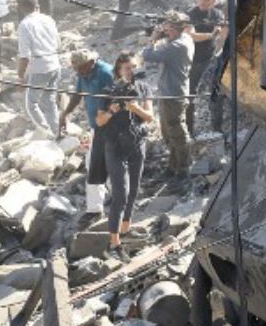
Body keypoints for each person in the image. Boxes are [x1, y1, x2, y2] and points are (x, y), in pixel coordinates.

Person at [95, 53, 152, 248]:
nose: (131, 71)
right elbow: (99, 121)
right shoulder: (108, 91)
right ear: (118, 70)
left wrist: (134, 108)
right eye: (127, 68)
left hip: (137, 145)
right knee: (121, 194)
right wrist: (112, 111)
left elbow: (149, 117)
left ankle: (126, 228)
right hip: (115, 147)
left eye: (133, 67)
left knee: (134, 190)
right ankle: (114, 242)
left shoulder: (144, 88)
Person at [142, 14, 195, 186]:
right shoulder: (184, 38)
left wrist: (153, 38)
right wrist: (163, 35)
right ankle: (173, 167)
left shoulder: (177, 46)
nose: (164, 29)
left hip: (173, 95)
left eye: (167, 27)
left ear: (174, 28)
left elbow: (148, 55)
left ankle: (183, 169)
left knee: (177, 132)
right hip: (169, 93)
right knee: (168, 133)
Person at [60, 49, 116, 201]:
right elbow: (78, 95)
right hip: (96, 126)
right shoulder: (84, 73)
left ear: (91, 63)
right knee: (98, 164)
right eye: (76, 69)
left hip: (111, 126)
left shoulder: (106, 74)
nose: (78, 73)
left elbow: (117, 101)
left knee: (100, 164)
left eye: (80, 68)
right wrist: (66, 114)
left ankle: (107, 202)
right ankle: (104, 199)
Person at [14, 0, 62, 134]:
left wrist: (21, 77)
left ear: (23, 10)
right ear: (38, 7)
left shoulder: (24, 24)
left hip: (40, 67)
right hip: (55, 64)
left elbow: (25, 55)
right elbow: (58, 44)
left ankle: (47, 132)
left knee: (31, 105)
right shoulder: (48, 19)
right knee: (50, 101)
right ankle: (57, 131)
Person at [184, 0, 228, 136]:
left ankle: (217, 129)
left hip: (209, 60)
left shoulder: (217, 14)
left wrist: (218, 53)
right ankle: (189, 131)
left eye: (208, 0)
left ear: (214, 2)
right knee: (189, 96)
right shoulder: (189, 15)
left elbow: (221, 36)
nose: (204, 2)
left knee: (216, 93)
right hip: (192, 61)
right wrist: (210, 35)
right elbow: (191, 36)